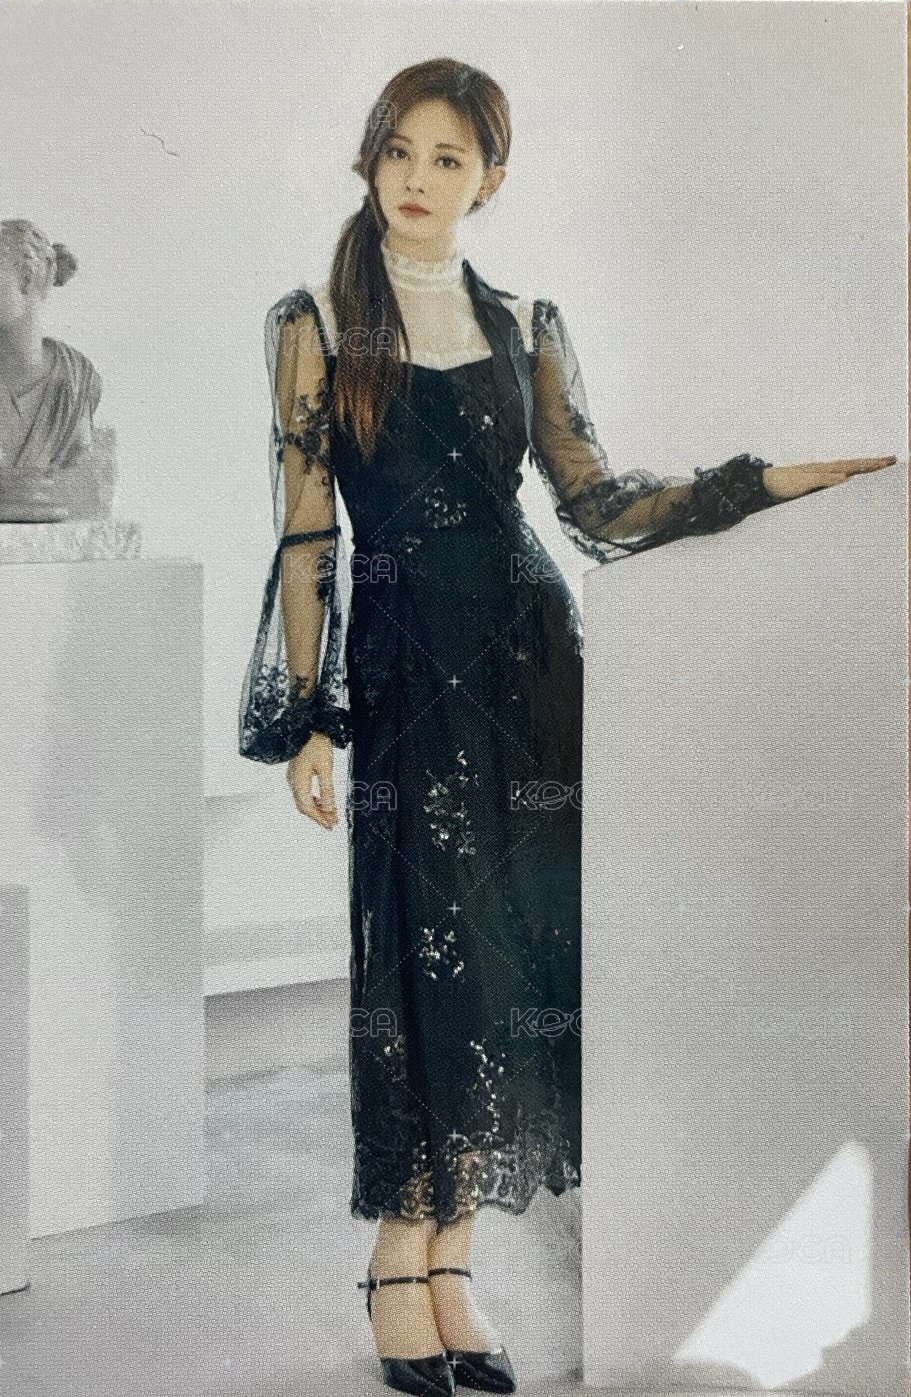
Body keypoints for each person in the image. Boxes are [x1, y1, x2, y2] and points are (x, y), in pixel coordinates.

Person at [238, 57, 894, 1397]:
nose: (418, 180)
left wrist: (762, 481)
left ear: (491, 179)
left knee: (511, 959)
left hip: (534, 666)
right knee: (422, 958)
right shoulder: (317, 321)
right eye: (400, 151)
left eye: (449, 159)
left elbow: (596, 502)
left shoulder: (527, 321)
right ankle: (397, 1258)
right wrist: (309, 714)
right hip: (407, 671)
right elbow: (309, 529)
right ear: (370, 158)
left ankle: (453, 1266)